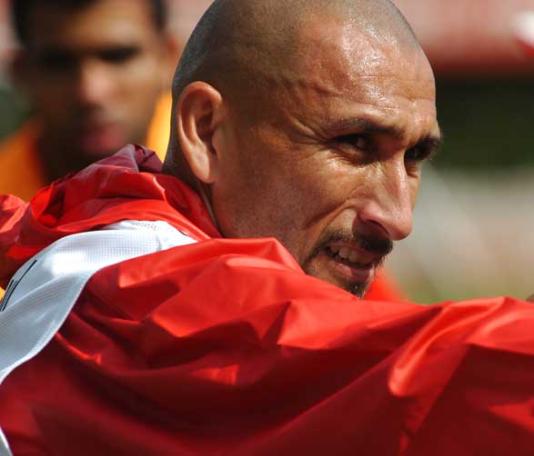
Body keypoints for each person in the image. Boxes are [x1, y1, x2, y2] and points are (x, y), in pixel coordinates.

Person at [1, 0, 533, 454]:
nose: (398, 219)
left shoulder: (109, 240)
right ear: (207, 132)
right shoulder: (141, 298)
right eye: (353, 144)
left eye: (414, 157)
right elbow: (447, 372)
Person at [0, 0, 178, 201]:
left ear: (170, 57)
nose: (91, 93)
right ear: (20, 73)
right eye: (59, 63)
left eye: (118, 56)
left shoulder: (208, 173)